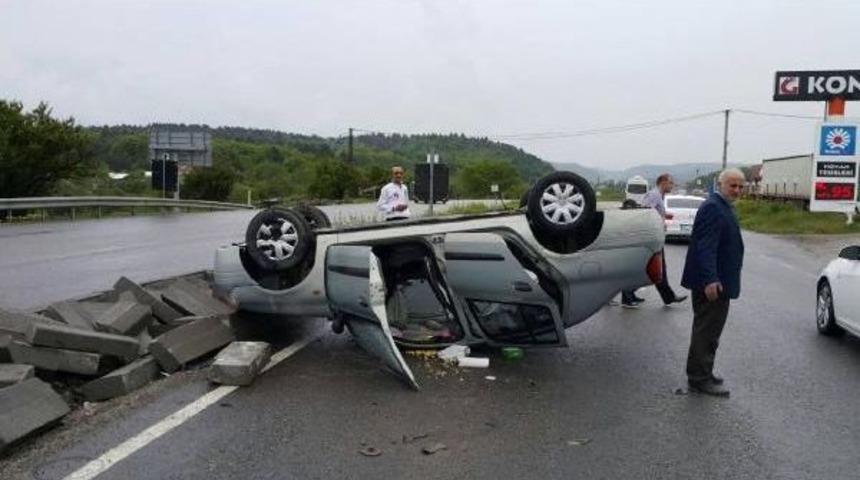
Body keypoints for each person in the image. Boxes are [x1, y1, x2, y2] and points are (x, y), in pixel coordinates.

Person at [681, 168, 746, 397]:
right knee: (706, 331)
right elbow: (705, 247)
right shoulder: (713, 207)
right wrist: (710, 280)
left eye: (740, 186)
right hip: (712, 284)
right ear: (720, 184)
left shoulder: (722, 206)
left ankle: (703, 372)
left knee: (710, 331)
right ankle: (699, 379)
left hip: (719, 281)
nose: (737, 190)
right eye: (733, 185)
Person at [621, 173, 687, 308]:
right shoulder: (654, 195)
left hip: (656, 237)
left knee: (658, 269)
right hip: (651, 238)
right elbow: (645, 212)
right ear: (663, 182)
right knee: (650, 268)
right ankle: (627, 295)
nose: (672, 186)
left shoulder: (659, 196)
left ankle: (667, 297)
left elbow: (654, 212)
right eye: (671, 183)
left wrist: (663, 217)